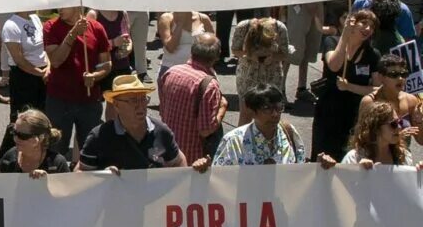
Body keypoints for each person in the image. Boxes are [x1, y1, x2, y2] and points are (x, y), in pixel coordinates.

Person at [76, 74, 188, 173]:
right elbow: (79, 174)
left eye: (143, 99)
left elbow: (179, 161)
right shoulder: (99, 136)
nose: (140, 106)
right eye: (133, 101)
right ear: (116, 105)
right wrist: (103, 175)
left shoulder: (161, 131)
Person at [311, 9, 381, 161]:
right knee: (323, 157)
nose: (368, 29)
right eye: (363, 23)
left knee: (347, 158)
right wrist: (345, 35)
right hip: (328, 110)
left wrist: (350, 87)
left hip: (354, 113)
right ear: (352, 23)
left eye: (372, 26)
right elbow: (334, 65)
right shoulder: (332, 42)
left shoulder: (373, 54)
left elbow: (377, 89)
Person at [43, 6, 113, 159]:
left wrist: (95, 75)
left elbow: (106, 64)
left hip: (89, 101)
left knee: (91, 151)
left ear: (76, 5)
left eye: (64, 5)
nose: (59, 9)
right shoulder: (50, 27)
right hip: (59, 101)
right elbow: (55, 61)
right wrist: (73, 34)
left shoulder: (96, 27)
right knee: (55, 150)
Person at [156, 33, 228, 164]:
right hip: (194, 157)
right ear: (216, 57)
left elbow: (162, 111)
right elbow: (206, 130)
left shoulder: (171, 72)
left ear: (192, 51)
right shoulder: (209, 85)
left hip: (168, 151)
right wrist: (222, 108)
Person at [211, 84, 306, 165]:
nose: (275, 114)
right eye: (267, 108)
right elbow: (220, 177)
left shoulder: (288, 132)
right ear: (252, 112)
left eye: (278, 107)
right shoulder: (233, 141)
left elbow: (301, 169)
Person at [229, 16, 291, 123]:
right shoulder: (243, 27)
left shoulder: (280, 28)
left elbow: (284, 53)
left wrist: (273, 57)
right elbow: (235, 50)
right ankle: (242, 139)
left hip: (272, 76)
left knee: (272, 114)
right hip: (248, 76)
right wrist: (250, 55)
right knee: (246, 114)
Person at [0, 109, 73, 177]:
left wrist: (49, 181)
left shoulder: (57, 163)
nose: (15, 139)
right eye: (14, 132)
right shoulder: (9, 158)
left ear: (40, 138)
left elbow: (68, 191)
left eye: (22, 136)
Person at [0, 9, 50, 116]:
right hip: (24, 77)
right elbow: (19, 60)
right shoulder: (11, 25)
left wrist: (48, 68)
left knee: (44, 116)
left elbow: (44, 47)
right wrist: (39, 73)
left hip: (43, 74)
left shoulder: (35, 18)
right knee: (26, 118)